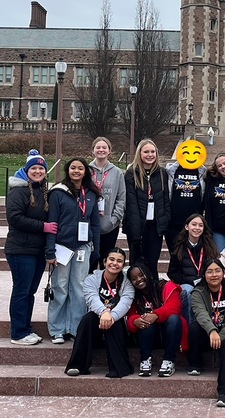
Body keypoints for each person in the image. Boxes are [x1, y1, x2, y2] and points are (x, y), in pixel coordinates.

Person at [45, 157, 101, 344]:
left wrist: (96, 250)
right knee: (60, 287)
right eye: (73, 168)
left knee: (79, 288)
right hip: (62, 247)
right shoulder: (57, 193)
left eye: (80, 168)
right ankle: (57, 329)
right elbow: (52, 223)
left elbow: (95, 224)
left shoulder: (91, 194)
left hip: (83, 247)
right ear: (67, 170)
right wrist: (49, 251)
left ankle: (76, 327)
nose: (76, 171)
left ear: (86, 172)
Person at [4, 150, 55, 345]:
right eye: (33, 168)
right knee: (21, 290)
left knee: (29, 291)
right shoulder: (18, 191)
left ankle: (26, 328)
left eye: (41, 168)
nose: (37, 171)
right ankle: (18, 332)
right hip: (20, 250)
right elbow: (15, 218)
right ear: (26, 171)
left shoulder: (43, 192)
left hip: (37, 250)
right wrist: (43, 227)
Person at [65, 248, 135, 378]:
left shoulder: (127, 283)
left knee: (116, 321)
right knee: (88, 319)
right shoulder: (91, 279)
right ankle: (77, 365)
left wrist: (111, 316)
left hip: (116, 322)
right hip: (97, 322)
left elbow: (125, 303)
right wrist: (104, 312)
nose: (115, 263)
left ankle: (118, 368)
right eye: (112, 259)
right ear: (104, 261)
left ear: (123, 265)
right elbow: (92, 299)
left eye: (119, 261)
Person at [188, 259, 225, 407]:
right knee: (194, 328)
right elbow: (200, 313)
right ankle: (195, 363)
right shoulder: (198, 291)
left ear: (223, 273)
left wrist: (221, 335)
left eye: (217, 271)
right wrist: (212, 331)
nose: (214, 275)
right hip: (209, 334)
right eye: (209, 271)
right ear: (203, 274)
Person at [125, 261, 187, 377]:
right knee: (143, 320)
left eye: (141, 275)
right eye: (133, 278)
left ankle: (169, 360)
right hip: (147, 335)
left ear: (148, 274)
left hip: (169, 334)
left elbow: (174, 307)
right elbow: (130, 317)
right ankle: (145, 360)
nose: (138, 279)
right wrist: (135, 320)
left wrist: (155, 315)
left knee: (174, 318)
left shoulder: (165, 286)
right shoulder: (133, 295)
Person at [123, 139, 171, 274]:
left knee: (152, 262)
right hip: (136, 224)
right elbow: (130, 202)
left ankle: (152, 292)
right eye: (146, 152)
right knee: (136, 264)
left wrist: (165, 219)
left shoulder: (162, 173)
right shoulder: (132, 173)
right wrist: (135, 227)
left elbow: (165, 198)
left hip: (155, 225)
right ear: (140, 153)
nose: (150, 155)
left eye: (152, 151)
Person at [167, 213, 219, 324]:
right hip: (187, 285)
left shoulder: (210, 246)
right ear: (187, 227)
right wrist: (186, 279)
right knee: (188, 291)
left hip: (206, 283)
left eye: (200, 225)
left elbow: (215, 268)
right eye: (194, 224)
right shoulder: (179, 247)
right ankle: (189, 326)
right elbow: (171, 273)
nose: (197, 228)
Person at [90, 137, 126, 258]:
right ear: (93, 150)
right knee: (90, 262)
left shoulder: (117, 172)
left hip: (110, 225)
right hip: (89, 224)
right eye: (98, 147)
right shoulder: (86, 170)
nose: (101, 150)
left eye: (104, 147)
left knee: (106, 260)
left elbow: (121, 198)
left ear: (109, 150)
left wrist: (115, 219)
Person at [166, 153, 206, 246]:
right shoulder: (171, 171)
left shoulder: (202, 172)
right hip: (173, 223)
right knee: (175, 255)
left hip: (194, 223)